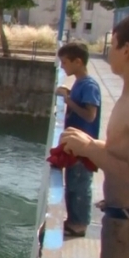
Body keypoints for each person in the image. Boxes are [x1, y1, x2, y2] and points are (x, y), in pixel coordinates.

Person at [60, 10, 129, 258]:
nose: (107, 53)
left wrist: (92, 148)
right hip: (121, 222)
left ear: (128, 50)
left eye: (113, 45)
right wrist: (90, 146)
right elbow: (126, 155)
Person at [55, 42, 102, 238]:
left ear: (78, 61)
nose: (63, 66)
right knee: (72, 183)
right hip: (75, 145)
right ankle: (73, 220)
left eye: (65, 62)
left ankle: (80, 223)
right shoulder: (79, 83)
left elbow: (90, 115)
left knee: (80, 185)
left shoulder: (89, 85)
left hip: (84, 147)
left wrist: (68, 101)